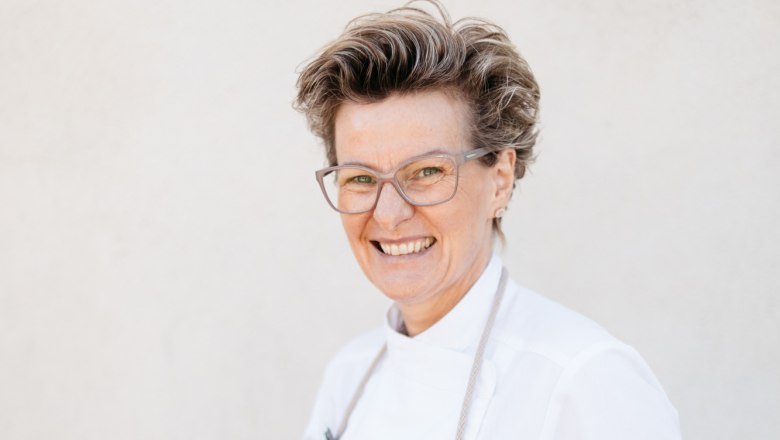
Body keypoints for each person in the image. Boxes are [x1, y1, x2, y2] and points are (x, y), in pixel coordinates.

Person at [295, 1, 681, 439]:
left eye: (426, 172)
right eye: (361, 178)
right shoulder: (348, 378)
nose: (389, 214)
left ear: (499, 180)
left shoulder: (582, 379)